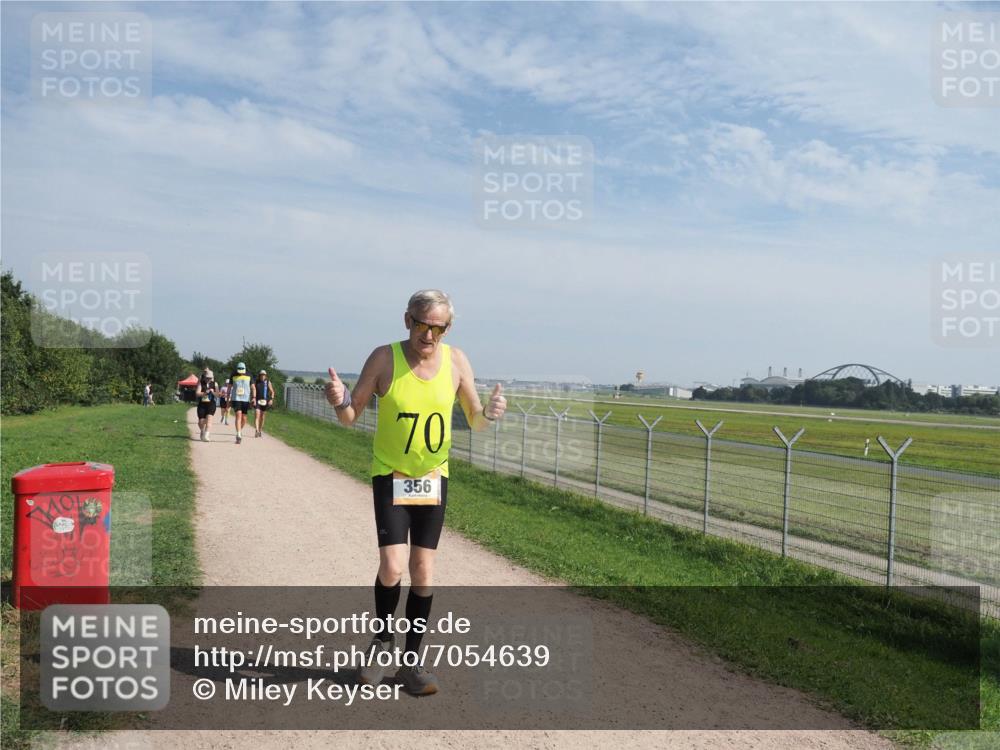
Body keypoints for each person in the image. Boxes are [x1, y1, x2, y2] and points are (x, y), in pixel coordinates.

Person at [324, 289, 506, 696]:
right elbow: (350, 416)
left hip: (433, 478)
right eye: (422, 324)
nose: (428, 335)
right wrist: (339, 401)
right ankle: (381, 642)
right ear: (407, 320)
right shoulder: (383, 358)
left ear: (448, 328)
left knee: (423, 570)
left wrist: (490, 415)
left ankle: (411, 662)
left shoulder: (456, 362)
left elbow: (475, 419)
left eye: (438, 328)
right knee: (392, 567)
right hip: (391, 474)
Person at [229, 362, 253, 444]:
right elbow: (229, 387)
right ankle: (239, 434)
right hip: (236, 398)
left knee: (244, 418)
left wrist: (254, 398)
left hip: (246, 399)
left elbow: (253, 387)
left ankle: (239, 431)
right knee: (238, 415)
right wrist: (228, 399)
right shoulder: (233, 375)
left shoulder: (249, 375)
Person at [195, 369, 218, 442]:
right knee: (201, 422)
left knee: (209, 419)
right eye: (207, 378)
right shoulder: (201, 383)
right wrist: (204, 393)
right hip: (202, 404)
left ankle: (206, 435)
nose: (209, 379)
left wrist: (213, 392)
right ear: (205, 377)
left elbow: (218, 395)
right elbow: (197, 393)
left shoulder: (215, 384)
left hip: (211, 404)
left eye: (210, 378)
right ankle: (202, 430)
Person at [251, 370, 274, 437]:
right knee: (257, 415)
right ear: (259, 375)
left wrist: (271, 399)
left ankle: (260, 430)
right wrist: (253, 398)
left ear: (265, 376)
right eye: (261, 375)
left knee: (262, 417)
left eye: (264, 375)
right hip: (257, 401)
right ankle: (256, 430)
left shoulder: (268, 382)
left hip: (265, 401)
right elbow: (253, 390)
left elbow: (272, 392)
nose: (262, 376)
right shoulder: (256, 382)